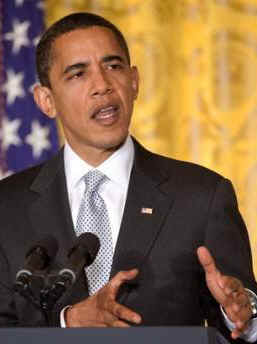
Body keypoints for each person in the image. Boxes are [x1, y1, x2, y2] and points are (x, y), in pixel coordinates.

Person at [0, 12, 256, 343]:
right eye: (78, 74)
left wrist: (241, 317)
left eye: (114, 66)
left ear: (134, 81)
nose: (102, 85)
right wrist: (67, 323)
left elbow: (241, 310)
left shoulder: (202, 196)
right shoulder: (7, 206)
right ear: (46, 100)